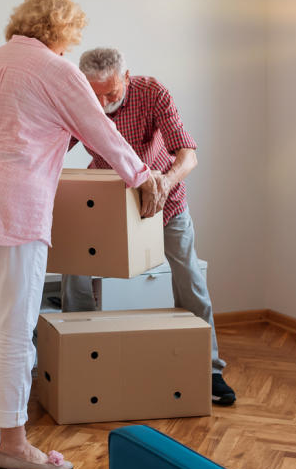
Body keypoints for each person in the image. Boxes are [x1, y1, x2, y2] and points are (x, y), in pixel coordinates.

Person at [0, 0, 160, 469]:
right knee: (16, 330)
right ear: (61, 32)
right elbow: (99, 133)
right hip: (13, 207)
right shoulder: (56, 70)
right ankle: (15, 445)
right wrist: (141, 175)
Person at [60, 47, 236, 406]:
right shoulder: (82, 100)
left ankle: (210, 368)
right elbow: (55, 146)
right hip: (106, 200)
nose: (103, 101)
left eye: (111, 93)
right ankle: (80, 355)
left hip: (163, 199)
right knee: (74, 273)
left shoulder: (152, 92)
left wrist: (165, 183)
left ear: (127, 78)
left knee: (191, 280)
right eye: (95, 94)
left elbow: (187, 154)